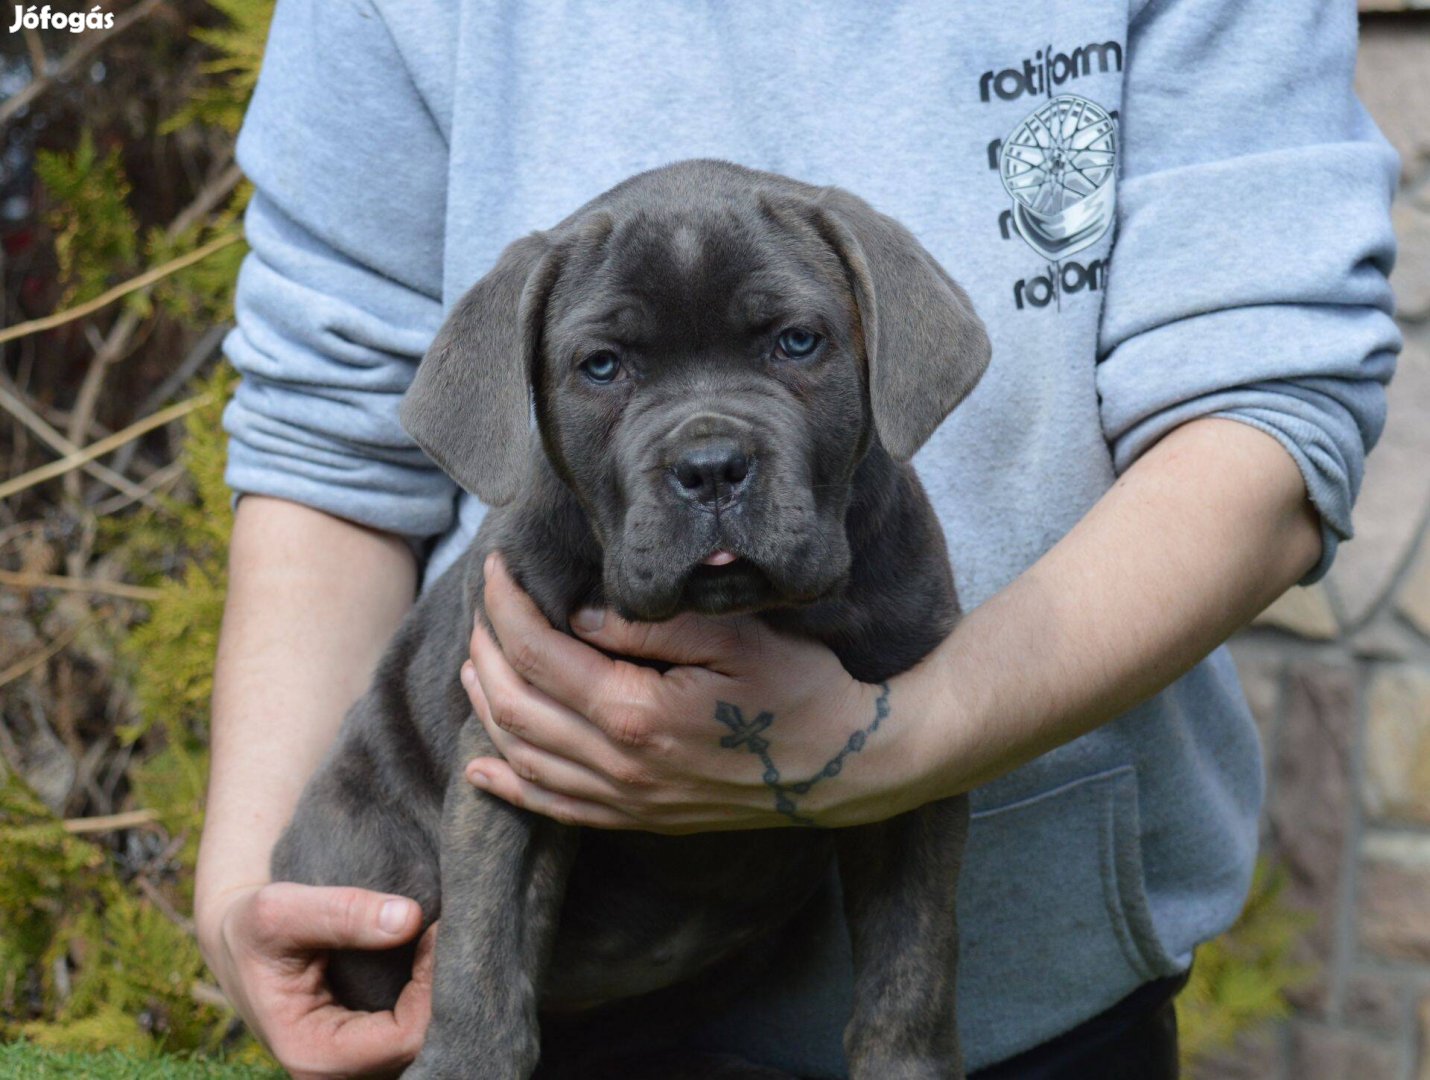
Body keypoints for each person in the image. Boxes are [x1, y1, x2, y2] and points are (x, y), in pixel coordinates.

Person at [193, 2, 1402, 1077]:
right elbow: (325, 436)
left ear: (872, 337)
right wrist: (250, 886)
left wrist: (913, 740)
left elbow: (1271, 399)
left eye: (792, 346)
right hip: (513, 1004)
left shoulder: (891, 528)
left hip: (1032, 1019)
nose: (707, 447)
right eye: (607, 367)